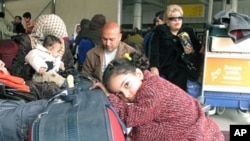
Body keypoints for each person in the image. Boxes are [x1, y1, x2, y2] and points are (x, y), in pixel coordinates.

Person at [90, 52, 224, 141]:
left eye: (126, 85)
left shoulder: (152, 92)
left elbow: (128, 117)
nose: (126, 95)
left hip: (198, 136)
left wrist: (109, 96)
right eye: (119, 93)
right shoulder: (148, 83)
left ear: (138, 74)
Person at [148, 4, 202, 92]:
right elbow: (153, 51)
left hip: (184, 68)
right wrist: (154, 67)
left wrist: (191, 51)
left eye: (180, 18)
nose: (177, 21)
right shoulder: (160, 31)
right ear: (167, 21)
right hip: (164, 67)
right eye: (173, 19)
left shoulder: (188, 31)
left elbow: (199, 51)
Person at [11, 14, 75, 81]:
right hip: (35, 83)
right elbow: (17, 69)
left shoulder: (61, 43)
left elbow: (70, 67)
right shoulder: (29, 42)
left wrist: (61, 71)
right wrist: (36, 68)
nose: (60, 38)